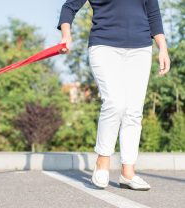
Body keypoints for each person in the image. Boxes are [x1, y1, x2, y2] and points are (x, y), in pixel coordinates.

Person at [57, 0, 171, 190]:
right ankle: (102, 163)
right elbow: (68, 7)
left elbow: (153, 12)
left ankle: (128, 173)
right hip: (104, 45)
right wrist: (66, 35)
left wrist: (163, 48)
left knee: (133, 110)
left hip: (141, 47)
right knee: (115, 103)